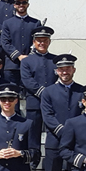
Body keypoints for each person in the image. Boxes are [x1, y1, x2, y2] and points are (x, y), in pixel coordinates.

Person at [39, 54, 84, 171]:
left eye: (68, 68)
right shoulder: (48, 92)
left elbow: (85, 115)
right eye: (61, 69)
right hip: (54, 140)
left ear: (73, 70)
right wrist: (63, 132)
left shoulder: (82, 91)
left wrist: (74, 133)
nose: (65, 72)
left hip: (78, 142)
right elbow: (48, 116)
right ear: (56, 71)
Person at [20, 26, 57, 160]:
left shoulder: (55, 60)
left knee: (53, 131)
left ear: (49, 42)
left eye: (45, 40)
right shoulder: (26, 61)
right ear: (34, 42)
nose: (42, 43)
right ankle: (33, 158)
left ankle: (52, 158)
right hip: (34, 102)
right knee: (33, 133)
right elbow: (27, 80)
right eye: (39, 40)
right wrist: (45, 93)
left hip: (53, 104)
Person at [0, 0, 41, 85]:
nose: (21, 5)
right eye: (18, 3)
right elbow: (5, 43)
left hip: (31, 64)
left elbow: (38, 43)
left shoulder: (35, 23)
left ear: (28, 4)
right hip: (12, 66)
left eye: (24, 2)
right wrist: (19, 56)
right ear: (14, 5)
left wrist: (29, 56)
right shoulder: (7, 23)